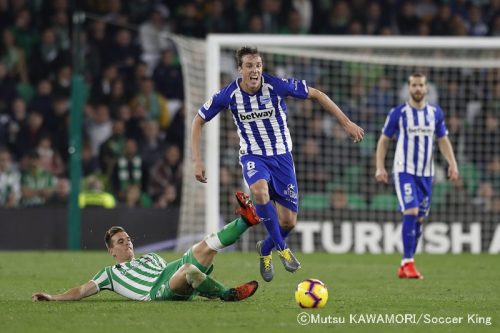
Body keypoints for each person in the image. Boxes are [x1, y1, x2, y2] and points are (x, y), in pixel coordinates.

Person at [191, 46, 364, 282]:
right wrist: (198, 159)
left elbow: (317, 94)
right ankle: (282, 249)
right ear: (239, 69)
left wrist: (346, 123)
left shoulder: (276, 85)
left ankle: (265, 249)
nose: (255, 71)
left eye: (258, 65)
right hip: (253, 157)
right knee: (259, 192)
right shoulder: (228, 95)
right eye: (250, 66)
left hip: (282, 158)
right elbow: (198, 120)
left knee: (288, 221)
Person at [32, 192, 259, 302]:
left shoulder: (151, 257)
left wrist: (196, 288)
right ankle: (227, 294)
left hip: (170, 273)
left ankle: (246, 220)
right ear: (111, 251)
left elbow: (174, 276)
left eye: (128, 238)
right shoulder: (109, 274)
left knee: (206, 245)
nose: (127, 242)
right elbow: (81, 291)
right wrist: (53, 298)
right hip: (156, 291)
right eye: (120, 242)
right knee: (188, 269)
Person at [375, 73, 459, 279]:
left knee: (420, 218)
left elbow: (443, 140)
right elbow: (384, 140)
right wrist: (380, 167)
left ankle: (406, 264)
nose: (418, 89)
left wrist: (452, 163)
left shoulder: (435, 113)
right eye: (414, 85)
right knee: (411, 210)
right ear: (409, 88)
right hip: (404, 170)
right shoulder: (399, 113)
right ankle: (408, 262)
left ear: (426, 88)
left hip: (426, 174)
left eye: (421, 85)